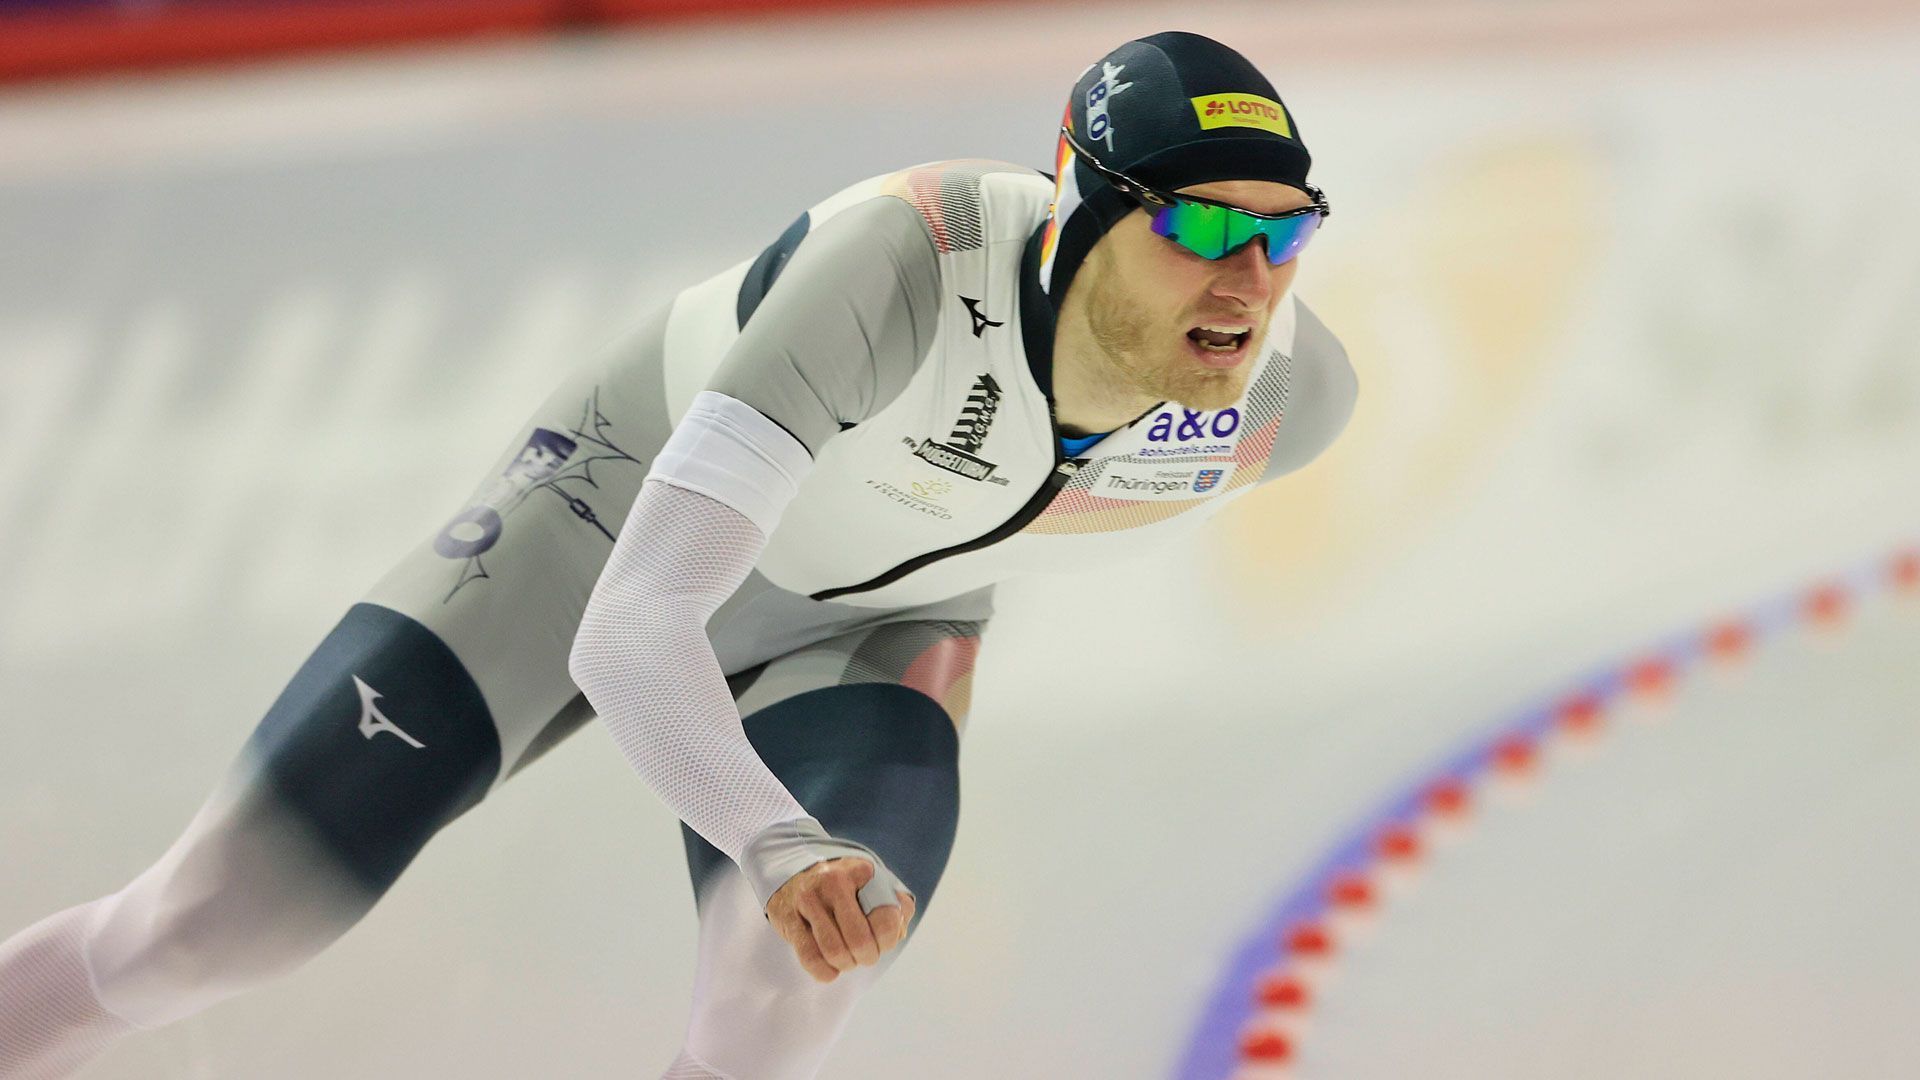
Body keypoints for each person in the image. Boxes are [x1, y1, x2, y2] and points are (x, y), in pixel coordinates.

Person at [0, 30, 1355, 1080]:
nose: (1249, 278)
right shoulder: (906, 265)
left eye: (1284, 230)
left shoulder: (1288, 407)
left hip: (865, 629)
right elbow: (633, 628)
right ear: (1083, 212)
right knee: (212, 923)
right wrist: (771, 836)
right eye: (1202, 227)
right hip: (599, 533)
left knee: (788, 995)